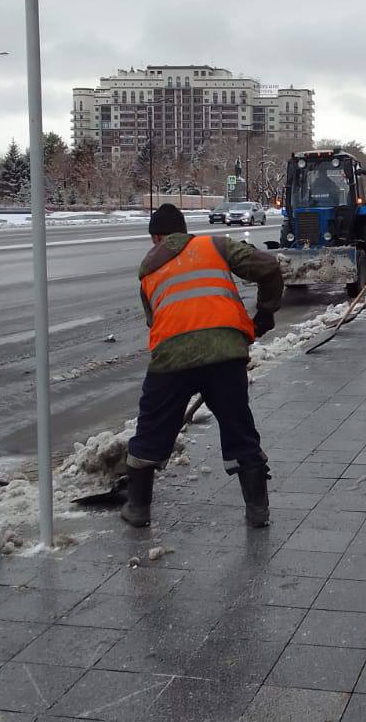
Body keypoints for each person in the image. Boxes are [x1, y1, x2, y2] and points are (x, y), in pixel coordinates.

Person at [121, 203, 283, 529]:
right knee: (239, 428)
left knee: (152, 429)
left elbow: (154, 320)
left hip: (171, 359)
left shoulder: (148, 269)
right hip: (226, 354)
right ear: (184, 230)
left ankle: (137, 508)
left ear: (156, 237)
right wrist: (264, 314)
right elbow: (268, 267)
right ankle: (257, 510)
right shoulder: (215, 245)